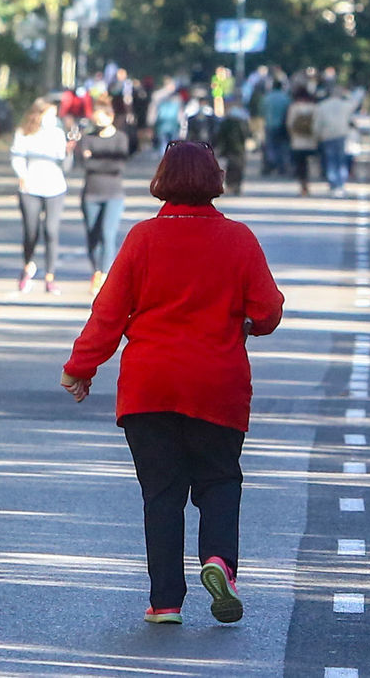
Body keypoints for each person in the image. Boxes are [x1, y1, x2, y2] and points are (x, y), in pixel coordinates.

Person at [61, 141, 284, 626]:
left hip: (150, 387)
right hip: (216, 384)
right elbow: (268, 310)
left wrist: (81, 367)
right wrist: (244, 325)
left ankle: (165, 602)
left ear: (162, 179)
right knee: (220, 478)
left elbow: (109, 312)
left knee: (161, 494)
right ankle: (219, 560)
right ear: (215, 180)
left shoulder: (142, 239)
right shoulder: (238, 239)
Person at [11, 98, 70, 294]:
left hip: (55, 187)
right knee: (31, 231)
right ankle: (28, 266)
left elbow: (63, 159)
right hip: (30, 187)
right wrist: (22, 175)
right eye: (49, 114)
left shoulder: (57, 133)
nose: (52, 118)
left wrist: (69, 150)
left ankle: (50, 276)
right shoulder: (24, 133)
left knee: (51, 231)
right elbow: (17, 155)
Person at [76, 104, 131, 296]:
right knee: (92, 236)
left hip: (113, 194)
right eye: (96, 120)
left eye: (102, 119)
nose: (98, 123)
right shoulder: (88, 138)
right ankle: (95, 271)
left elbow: (118, 166)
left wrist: (94, 160)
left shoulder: (120, 138)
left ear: (111, 117)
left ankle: (104, 274)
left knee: (107, 235)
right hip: (91, 193)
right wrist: (100, 162)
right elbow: (85, 164)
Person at [315, 86, 359, 196]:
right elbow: (354, 106)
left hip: (327, 136)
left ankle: (333, 183)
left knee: (331, 160)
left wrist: (317, 134)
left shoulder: (322, 106)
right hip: (341, 135)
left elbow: (317, 123)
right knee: (341, 161)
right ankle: (340, 184)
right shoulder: (346, 106)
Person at [285, 87, 319, 196]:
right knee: (310, 163)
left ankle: (303, 185)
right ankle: (310, 182)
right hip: (311, 141)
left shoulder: (294, 107)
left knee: (301, 165)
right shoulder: (314, 107)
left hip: (297, 141)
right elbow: (318, 124)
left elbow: (289, 124)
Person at [214, 100, 251, 196]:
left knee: (230, 167)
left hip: (228, 148)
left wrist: (219, 147)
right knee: (239, 167)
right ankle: (237, 186)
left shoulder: (225, 122)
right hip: (239, 148)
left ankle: (231, 185)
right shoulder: (242, 121)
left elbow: (220, 135)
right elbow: (246, 134)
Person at [261, 81, 292, 176]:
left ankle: (271, 163)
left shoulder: (266, 98)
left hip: (269, 124)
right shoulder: (286, 98)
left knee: (270, 146)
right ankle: (281, 167)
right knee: (282, 147)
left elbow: (262, 111)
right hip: (282, 126)